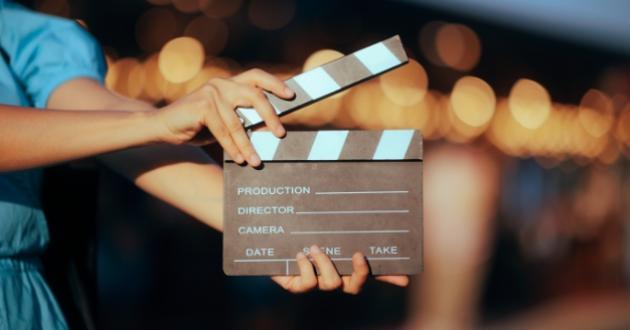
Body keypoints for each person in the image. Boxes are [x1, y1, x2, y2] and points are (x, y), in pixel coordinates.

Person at [0, 1, 408, 328]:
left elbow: (102, 121)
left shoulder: (20, 30)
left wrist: (277, 225)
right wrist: (154, 122)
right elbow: (136, 127)